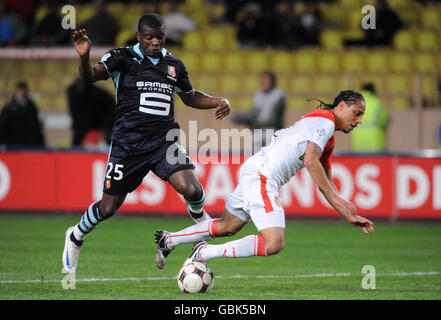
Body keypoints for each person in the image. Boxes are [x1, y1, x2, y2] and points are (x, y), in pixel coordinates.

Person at [62, 13, 230, 274]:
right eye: (149, 37)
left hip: (163, 141)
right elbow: (89, 78)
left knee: (192, 189)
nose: (155, 42)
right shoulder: (121, 58)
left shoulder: (174, 65)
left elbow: (190, 96)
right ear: (139, 36)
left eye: (159, 37)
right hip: (127, 146)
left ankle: (201, 229)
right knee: (108, 208)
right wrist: (84, 56)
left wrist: (218, 101)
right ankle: (76, 236)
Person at [154, 90, 374, 269]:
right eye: (357, 113)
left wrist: (345, 211)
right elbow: (310, 161)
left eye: (362, 115)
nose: (359, 120)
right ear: (342, 106)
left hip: (255, 169)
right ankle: (204, 251)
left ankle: (169, 240)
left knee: (227, 226)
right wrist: (338, 199)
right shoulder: (325, 121)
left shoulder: (327, 138)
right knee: (274, 243)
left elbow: (325, 179)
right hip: (263, 176)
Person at [231, 71, 286, 146]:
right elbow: (253, 113)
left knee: (266, 138)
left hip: (273, 130)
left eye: (265, 81)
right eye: (262, 81)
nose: (263, 83)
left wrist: (254, 123)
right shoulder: (258, 94)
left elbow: (275, 119)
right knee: (253, 141)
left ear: (272, 82)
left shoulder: (279, 94)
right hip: (259, 130)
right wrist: (244, 119)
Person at [67, 77, 115, 146]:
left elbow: (109, 110)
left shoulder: (100, 94)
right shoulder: (72, 92)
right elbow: (74, 112)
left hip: (103, 114)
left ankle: (110, 148)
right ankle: (75, 149)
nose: (81, 87)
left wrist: (106, 127)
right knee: (79, 132)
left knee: (108, 133)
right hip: (87, 116)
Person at [0, 80, 45, 147]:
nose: (22, 91)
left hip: (30, 144)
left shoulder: (32, 106)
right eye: (20, 89)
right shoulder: (9, 107)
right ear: (17, 90)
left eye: (24, 89)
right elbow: (3, 127)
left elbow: (36, 126)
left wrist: (41, 143)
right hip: (13, 145)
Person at [350, 83, 390, 152]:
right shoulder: (377, 103)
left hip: (358, 141)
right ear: (374, 91)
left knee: (360, 162)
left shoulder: (354, 104)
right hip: (375, 142)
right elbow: (385, 120)